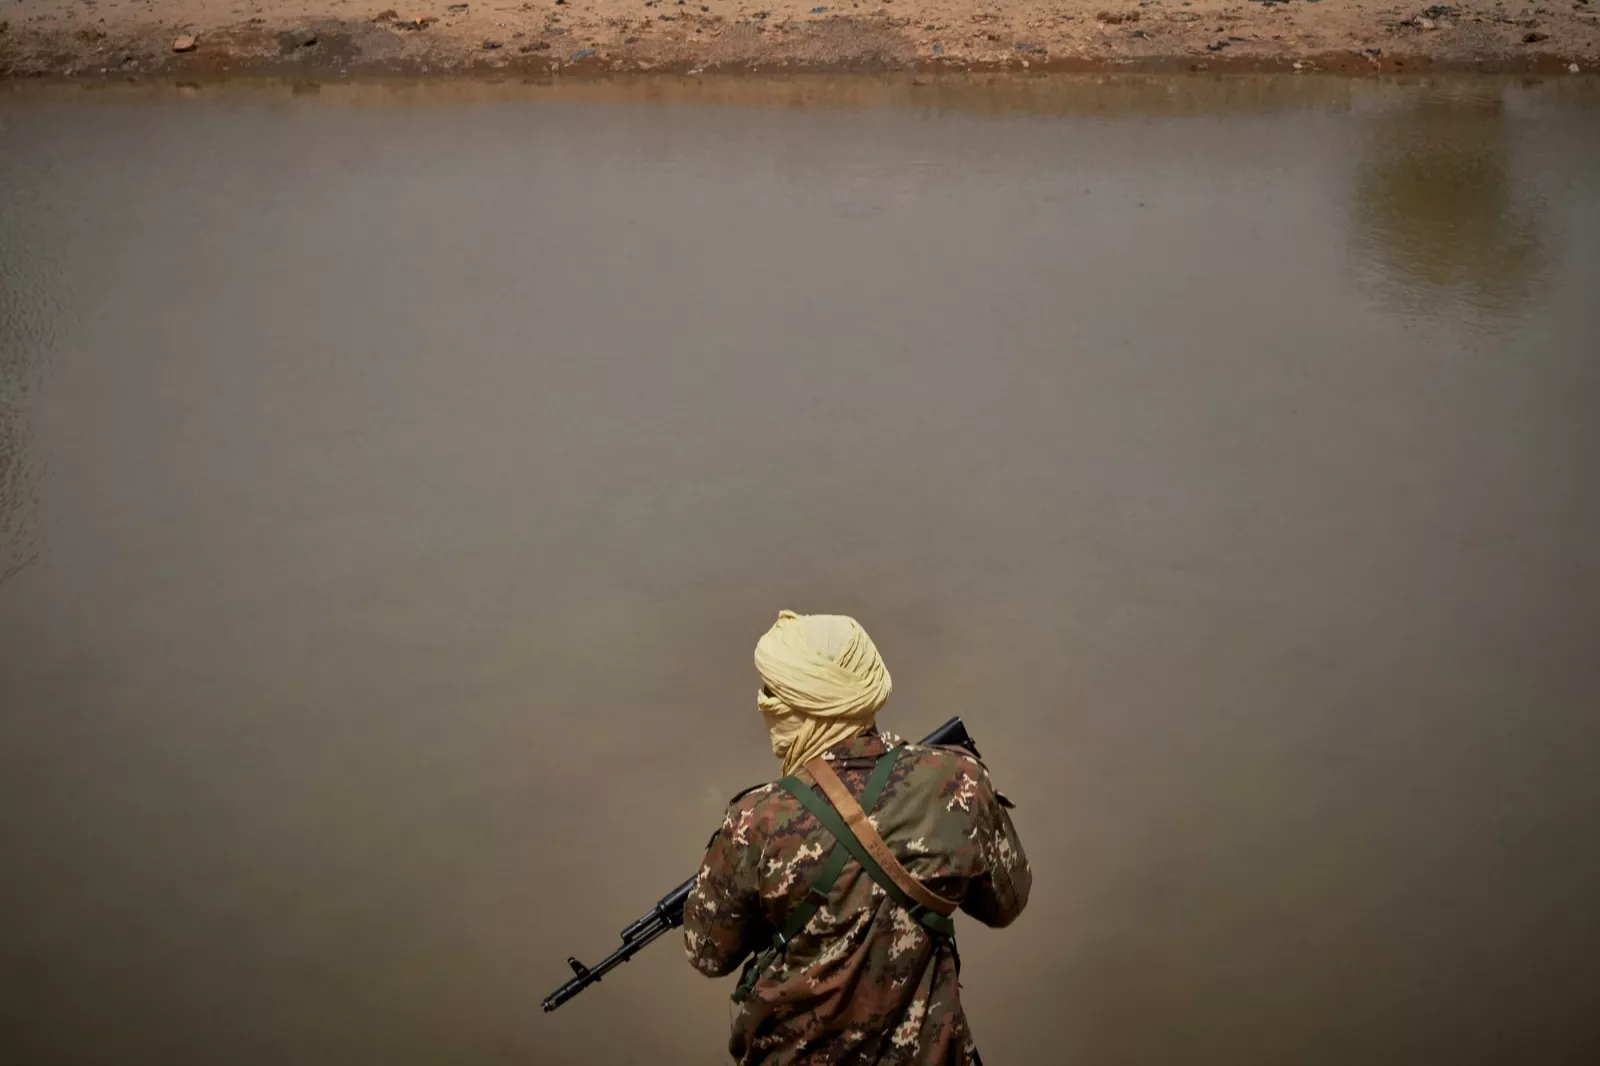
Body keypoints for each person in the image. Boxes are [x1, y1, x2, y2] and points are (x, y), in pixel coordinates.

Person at [683, 610, 1031, 1065]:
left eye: (772, 692)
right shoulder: (958, 781)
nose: (763, 705)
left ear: (805, 702)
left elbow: (707, 954)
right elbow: (1007, 902)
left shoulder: (758, 818)